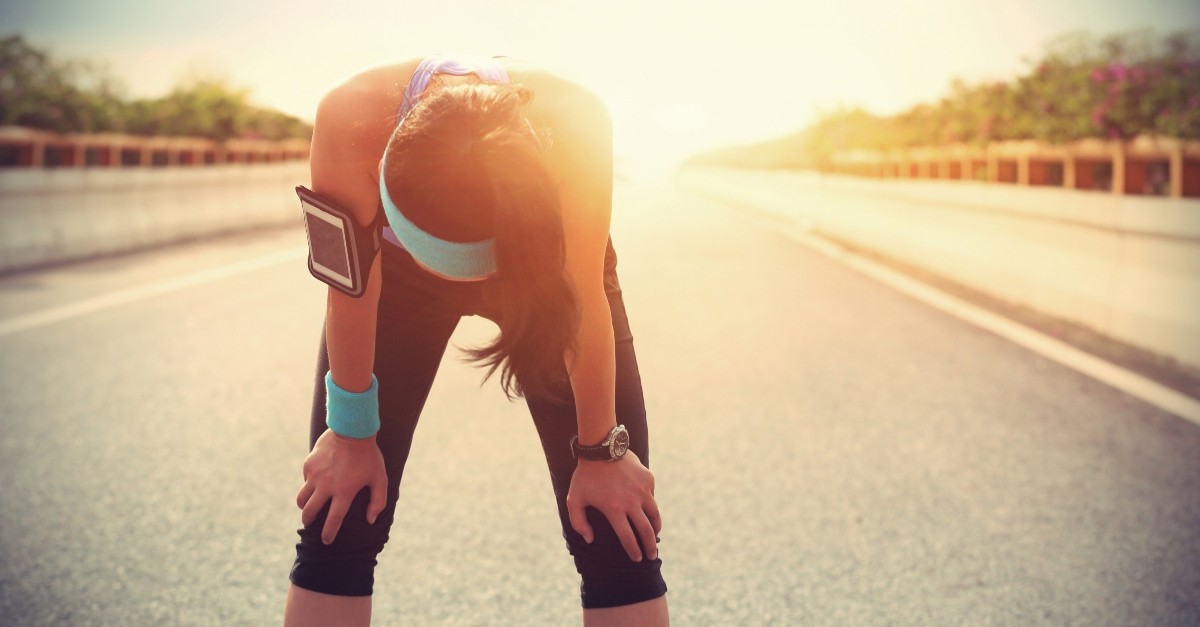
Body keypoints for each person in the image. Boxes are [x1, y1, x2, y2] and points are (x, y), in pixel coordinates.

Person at [282, 55, 669, 626]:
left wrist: (602, 454)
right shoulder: (352, 121)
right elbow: (350, 289)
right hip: (393, 274)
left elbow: (582, 297)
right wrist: (350, 434)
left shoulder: (575, 125)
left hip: (538, 263)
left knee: (617, 526)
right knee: (340, 510)